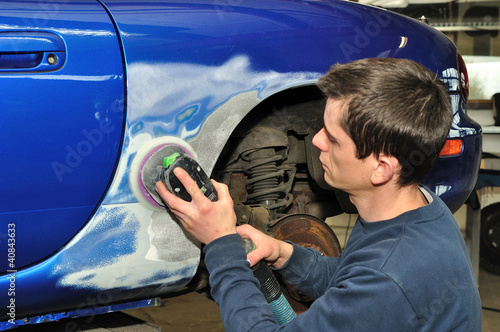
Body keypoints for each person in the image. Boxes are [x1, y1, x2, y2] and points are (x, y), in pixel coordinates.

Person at [155, 58, 482, 331]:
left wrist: (220, 245)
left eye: (334, 139)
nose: (316, 142)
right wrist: (284, 254)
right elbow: (351, 277)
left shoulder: (391, 277)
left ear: (382, 167)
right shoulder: (413, 208)